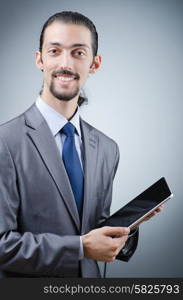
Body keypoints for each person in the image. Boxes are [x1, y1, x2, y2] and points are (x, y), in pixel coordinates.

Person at [0, 11, 163, 278]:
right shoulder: (5, 142)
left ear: (95, 64)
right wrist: (80, 247)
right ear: (39, 59)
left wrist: (127, 228)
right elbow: (2, 244)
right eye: (54, 51)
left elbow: (92, 230)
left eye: (78, 53)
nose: (66, 63)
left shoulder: (107, 149)